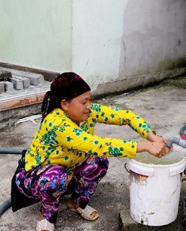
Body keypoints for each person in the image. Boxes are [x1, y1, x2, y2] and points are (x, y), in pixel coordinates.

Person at [11, 72, 171, 231]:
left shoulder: (88, 112)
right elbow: (98, 144)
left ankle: (77, 203)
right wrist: (146, 147)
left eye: (89, 100)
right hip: (34, 179)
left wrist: (152, 138)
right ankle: (46, 215)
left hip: (68, 170)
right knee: (58, 176)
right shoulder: (56, 124)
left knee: (99, 161)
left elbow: (127, 116)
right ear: (65, 104)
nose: (89, 106)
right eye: (83, 102)